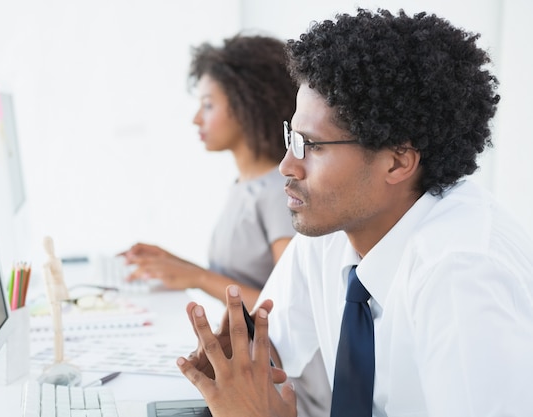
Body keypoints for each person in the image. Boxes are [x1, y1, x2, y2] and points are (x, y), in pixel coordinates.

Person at [176, 8, 533, 417]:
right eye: (292, 136)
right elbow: (266, 348)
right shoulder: (335, 227)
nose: (287, 166)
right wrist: (230, 365)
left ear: (397, 163)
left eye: (313, 145)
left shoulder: (462, 275)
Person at [121, 34, 297, 311]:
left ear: (247, 106)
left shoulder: (279, 193)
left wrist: (199, 278)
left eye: (208, 105)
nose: (196, 118)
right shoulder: (245, 185)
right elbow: (238, 281)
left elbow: (285, 309)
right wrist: (176, 266)